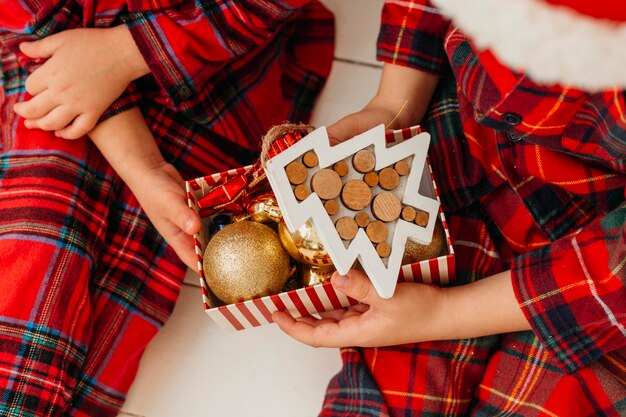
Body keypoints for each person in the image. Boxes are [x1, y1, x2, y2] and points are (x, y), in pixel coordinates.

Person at [273, 1, 626, 415]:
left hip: (594, 271)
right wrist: (392, 104)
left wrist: (445, 315)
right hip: (460, 139)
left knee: (561, 398)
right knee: (379, 399)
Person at [0, 1, 333, 416]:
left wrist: (128, 51)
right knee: (35, 275)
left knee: (119, 307)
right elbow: (36, 38)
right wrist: (141, 166)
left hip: (216, 86)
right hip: (52, 63)